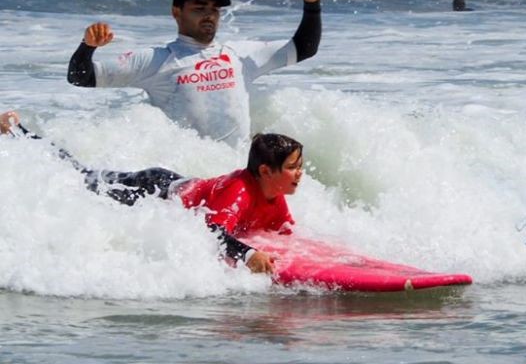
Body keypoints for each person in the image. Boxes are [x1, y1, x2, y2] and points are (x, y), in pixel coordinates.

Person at [1, 109, 301, 275]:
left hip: (178, 185)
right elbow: (211, 230)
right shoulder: (239, 191)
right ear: (266, 171)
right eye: (293, 167)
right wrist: (248, 255)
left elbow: (284, 235)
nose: (300, 173)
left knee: (80, 175)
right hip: (151, 190)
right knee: (77, 176)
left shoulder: (274, 195)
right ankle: (16, 130)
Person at [67, 0, 324, 148]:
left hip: (236, 172)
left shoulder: (240, 55)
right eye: (199, 8)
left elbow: (304, 48)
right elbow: (81, 77)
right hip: (191, 174)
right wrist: (87, 46)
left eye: (215, 9)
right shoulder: (157, 60)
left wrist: (312, 2)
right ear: (176, 12)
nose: (209, 15)